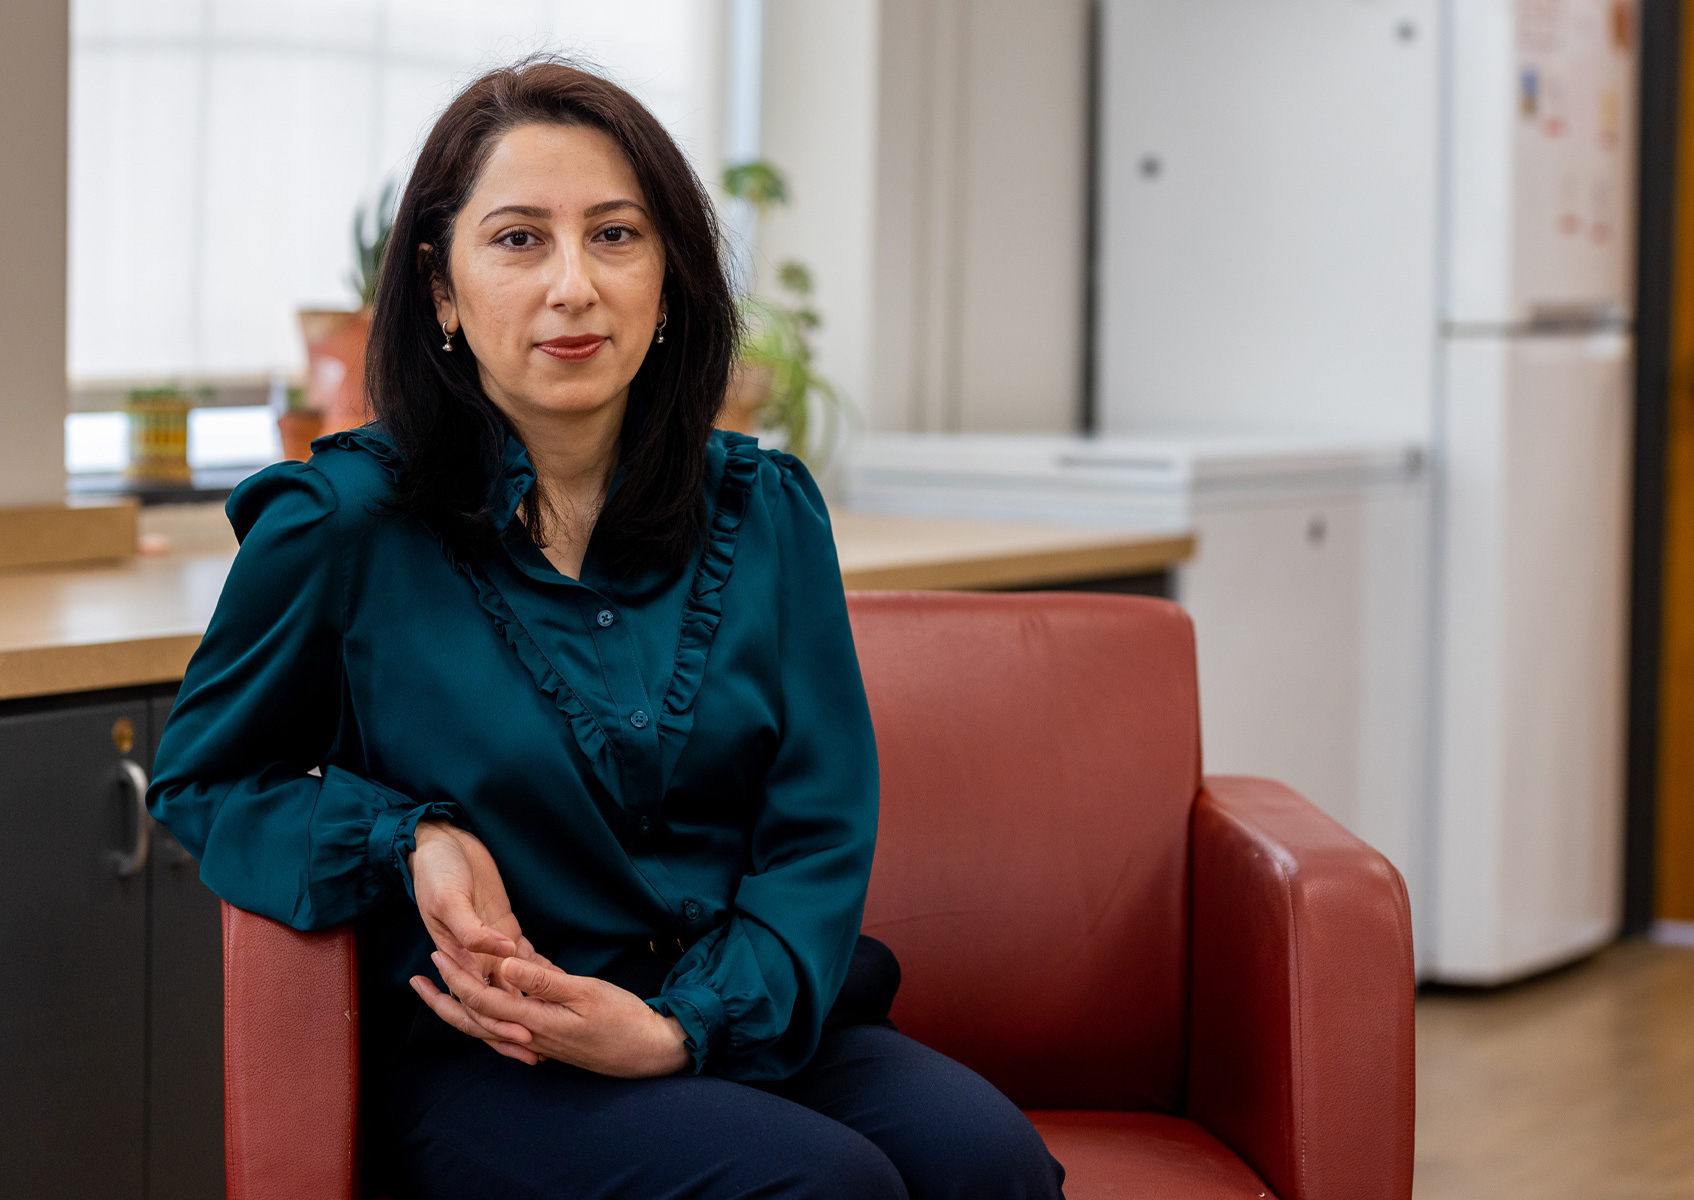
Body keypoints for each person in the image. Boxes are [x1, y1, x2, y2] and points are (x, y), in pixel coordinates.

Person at [148, 57, 1066, 1200]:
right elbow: (204, 781)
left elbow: (817, 830)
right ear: (440, 288)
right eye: (519, 239)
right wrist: (408, 837)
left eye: (615, 236)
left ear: (669, 276)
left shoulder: (765, 509)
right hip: (499, 1056)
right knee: (823, 1189)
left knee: (990, 1166)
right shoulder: (342, 527)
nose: (572, 285)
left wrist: (677, 1029)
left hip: (738, 1010)